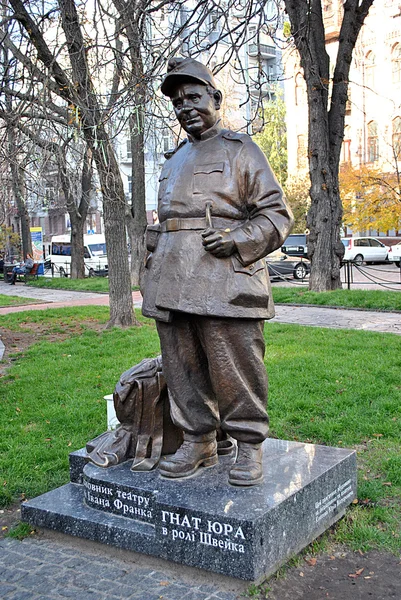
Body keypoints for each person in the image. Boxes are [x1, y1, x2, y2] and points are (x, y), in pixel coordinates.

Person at [141, 57, 294, 486]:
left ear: (215, 98)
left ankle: (247, 443)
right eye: (177, 101)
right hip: (171, 276)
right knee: (181, 364)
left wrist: (239, 240)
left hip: (224, 276)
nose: (185, 106)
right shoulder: (172, 161)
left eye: (193, 96)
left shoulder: (240, 150)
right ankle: (199, 439)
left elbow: (277, 215)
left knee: (234, 363)